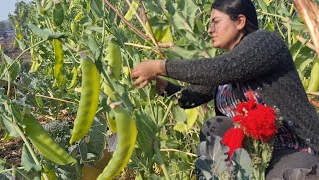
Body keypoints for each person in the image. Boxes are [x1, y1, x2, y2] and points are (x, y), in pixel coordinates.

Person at [131, 0, 319, 179]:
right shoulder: (228, 69)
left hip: (292, 148)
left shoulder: (265, 42)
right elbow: (190, 97)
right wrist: (161, 84)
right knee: (216, 125)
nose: (210, 29)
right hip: (250, 155)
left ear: (240, 21)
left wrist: (161, 66)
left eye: (216, 22)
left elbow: (221, 68)